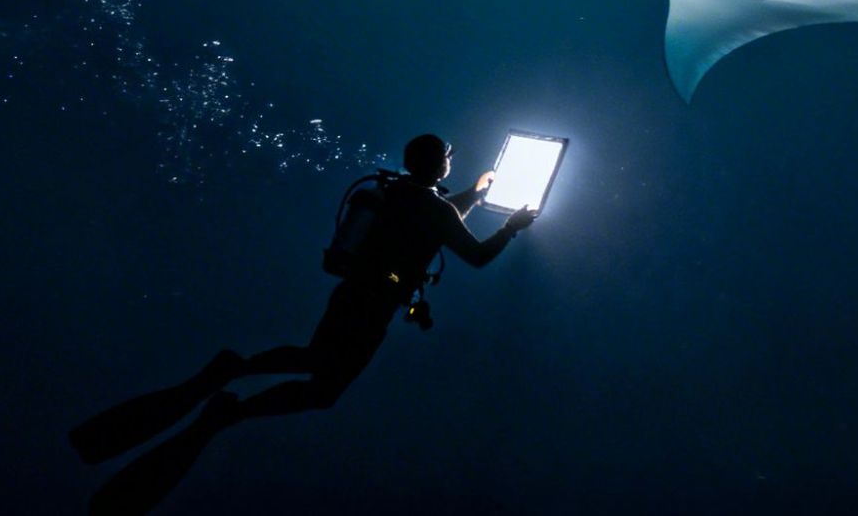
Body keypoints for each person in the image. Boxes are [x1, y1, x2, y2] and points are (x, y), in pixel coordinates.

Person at [71, 134, 535, 514]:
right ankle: (231, 405)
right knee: (325, 388)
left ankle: (236, 371)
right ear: (439, 163)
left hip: (351, 295)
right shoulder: (435, 208)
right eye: (448, 155)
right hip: (373, 308)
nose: (452, 159)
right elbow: (473, 255)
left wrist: (474, 194)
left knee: (315, 360)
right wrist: (511, 227)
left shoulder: (397, 193)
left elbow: (432, 221)